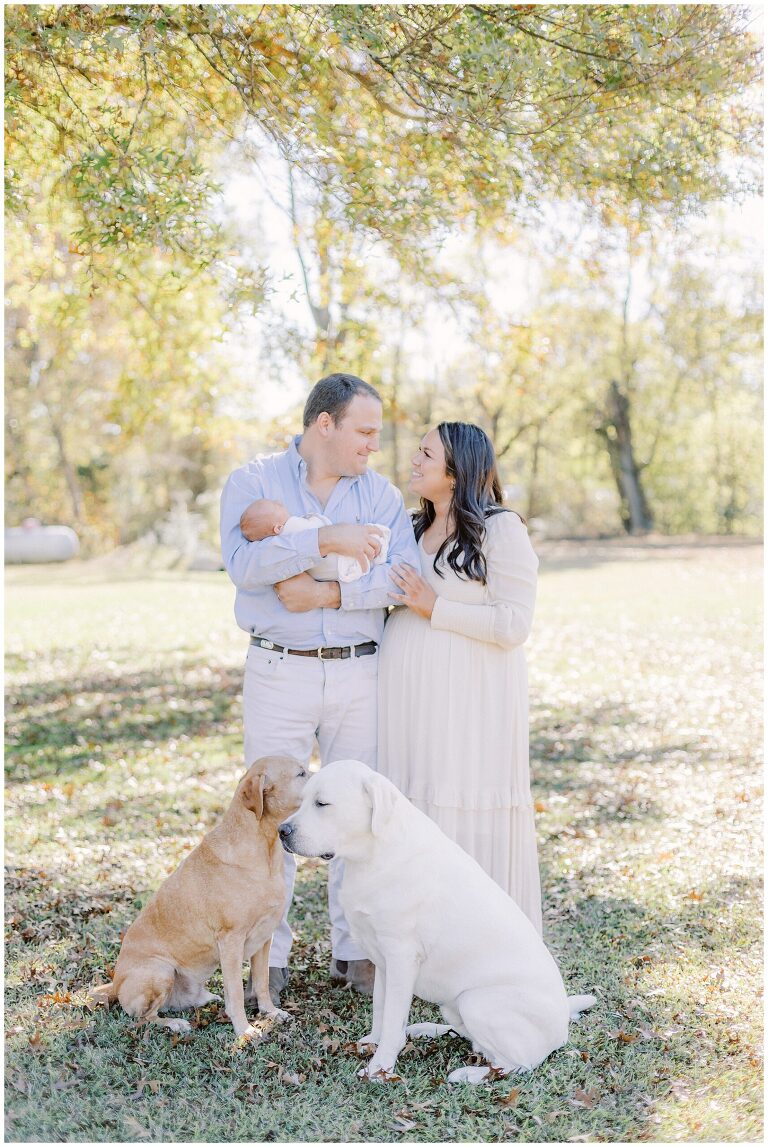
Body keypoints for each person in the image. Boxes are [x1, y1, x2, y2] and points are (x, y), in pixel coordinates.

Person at [220, 372, 419, 1003]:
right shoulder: (252, 482)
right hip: (279, 667)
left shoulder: (382, 496)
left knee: (357, 807)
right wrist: (324, 540)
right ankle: (265, 956)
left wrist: (328, 591)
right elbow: (245, 567)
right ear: (323, 425)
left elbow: (401, 578)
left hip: (362, 667)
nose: (372, 446)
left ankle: (356, 951)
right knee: (267, 810)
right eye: (363, 431)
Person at [378, 421, 543, 934]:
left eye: (426, 453)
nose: (415, 459)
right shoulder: (406, 529)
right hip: (408, 704)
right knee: (415, 807)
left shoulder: (501, 529)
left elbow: (514, 623)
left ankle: (480, 938)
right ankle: (418, 942)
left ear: (455, 471)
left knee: (461, 797)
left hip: (470, 704)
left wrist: (436, 607)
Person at [239, 497, 391, 582]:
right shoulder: (293, 526)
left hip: (325, 573)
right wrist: (318, 521)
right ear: (278, 528)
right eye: (275, 505)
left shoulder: (278, 545)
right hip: (336, 562)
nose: (280, 502)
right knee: (373, 538)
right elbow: (319, 527)